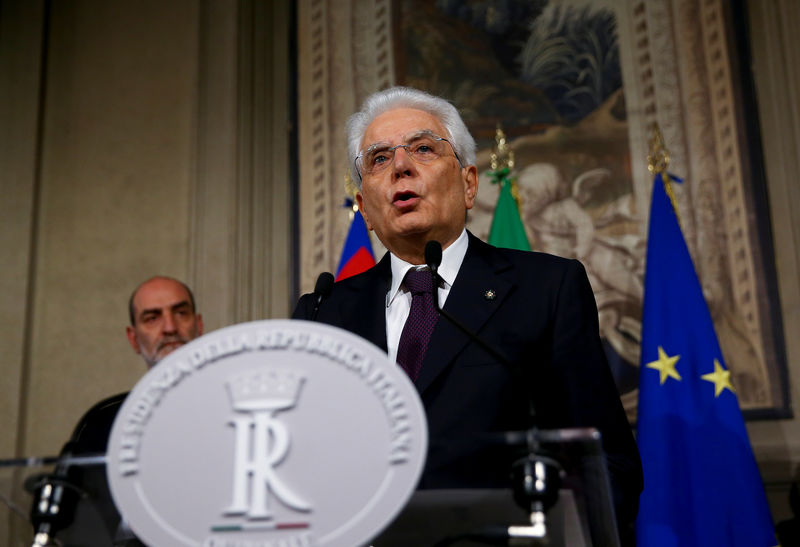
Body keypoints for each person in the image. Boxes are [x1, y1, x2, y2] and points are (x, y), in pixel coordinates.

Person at [293, 86, 643, 542]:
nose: (401, 166)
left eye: (422, 148)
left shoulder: (546, 289)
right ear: (365, 207)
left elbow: (608, 464)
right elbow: (301, 466)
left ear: (469, 183)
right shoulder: (323, 312)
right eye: (379, 159)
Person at [30, 276, 203, 546]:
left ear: (199, 325)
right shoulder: (102, 423)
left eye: (181, 313)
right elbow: (69, 521)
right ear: (133, 339)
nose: (170, 327)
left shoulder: (238, 410)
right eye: (152, 317)